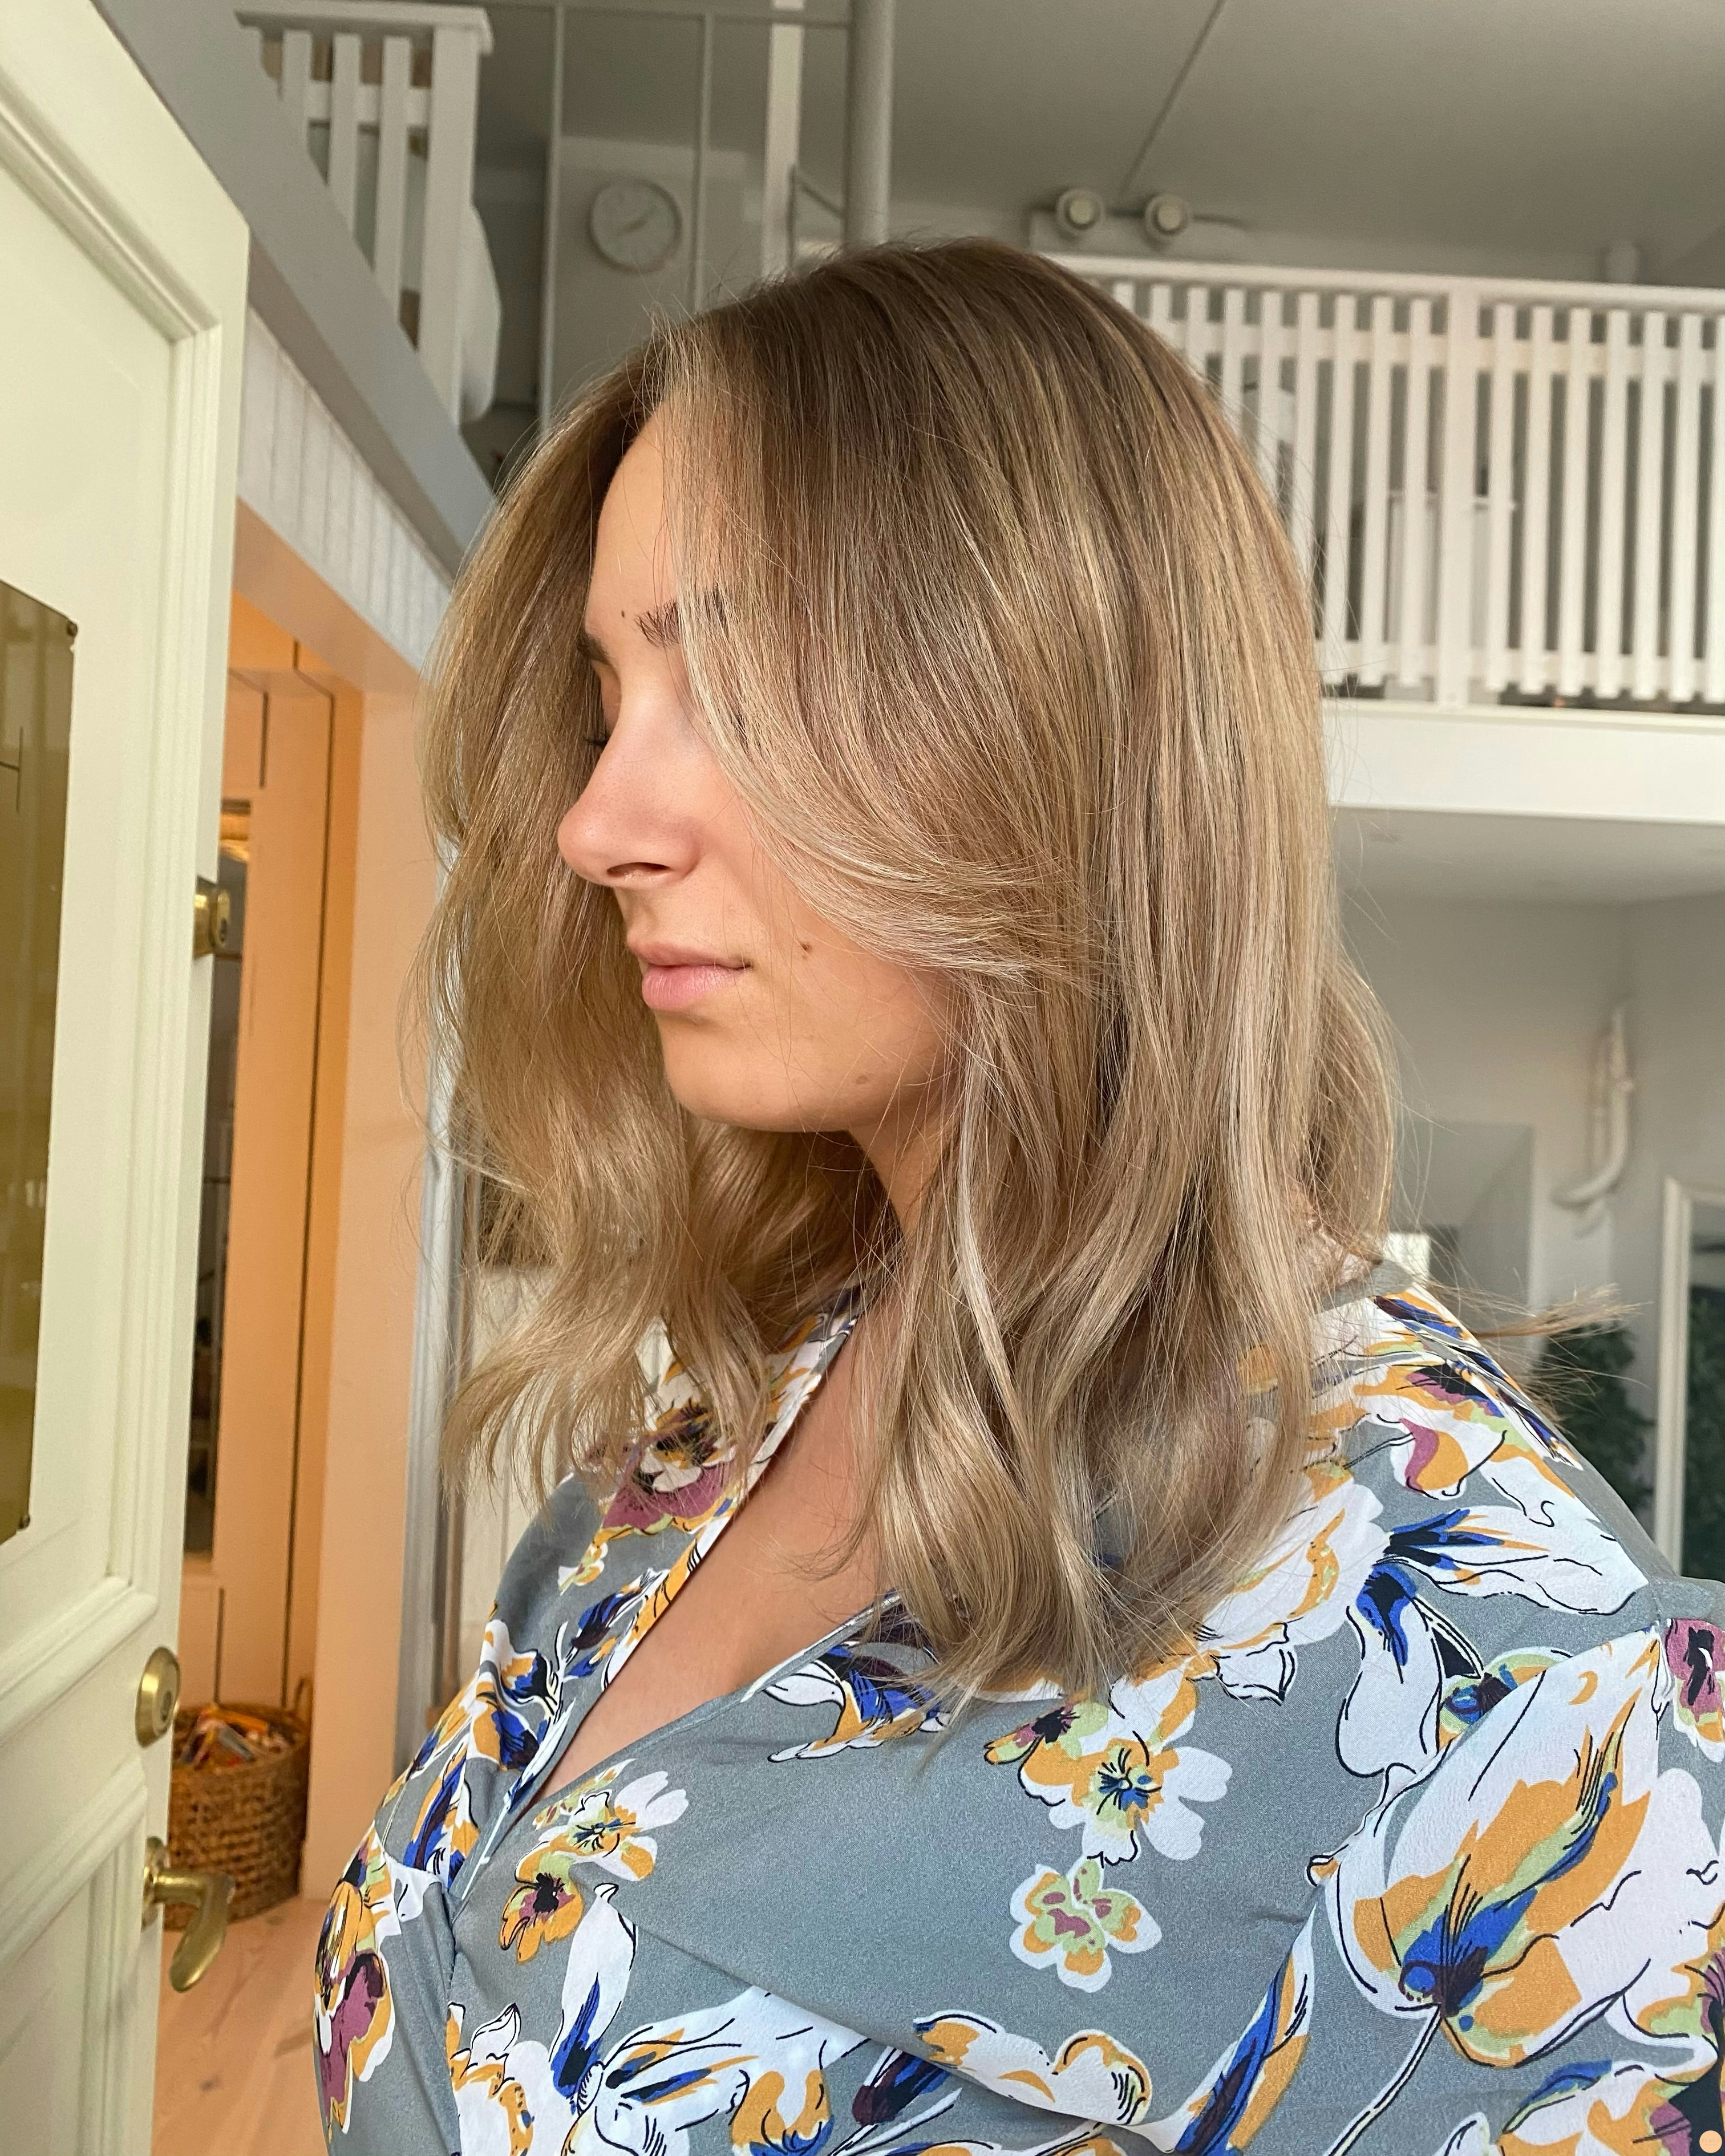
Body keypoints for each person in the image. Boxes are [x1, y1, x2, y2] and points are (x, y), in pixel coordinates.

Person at [313, 241, 1723, 2156]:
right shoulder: (728, 1414)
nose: (596, 822)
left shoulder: (1505, 1682)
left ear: (1059, 734)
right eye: (607, 691)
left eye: (734, 684)